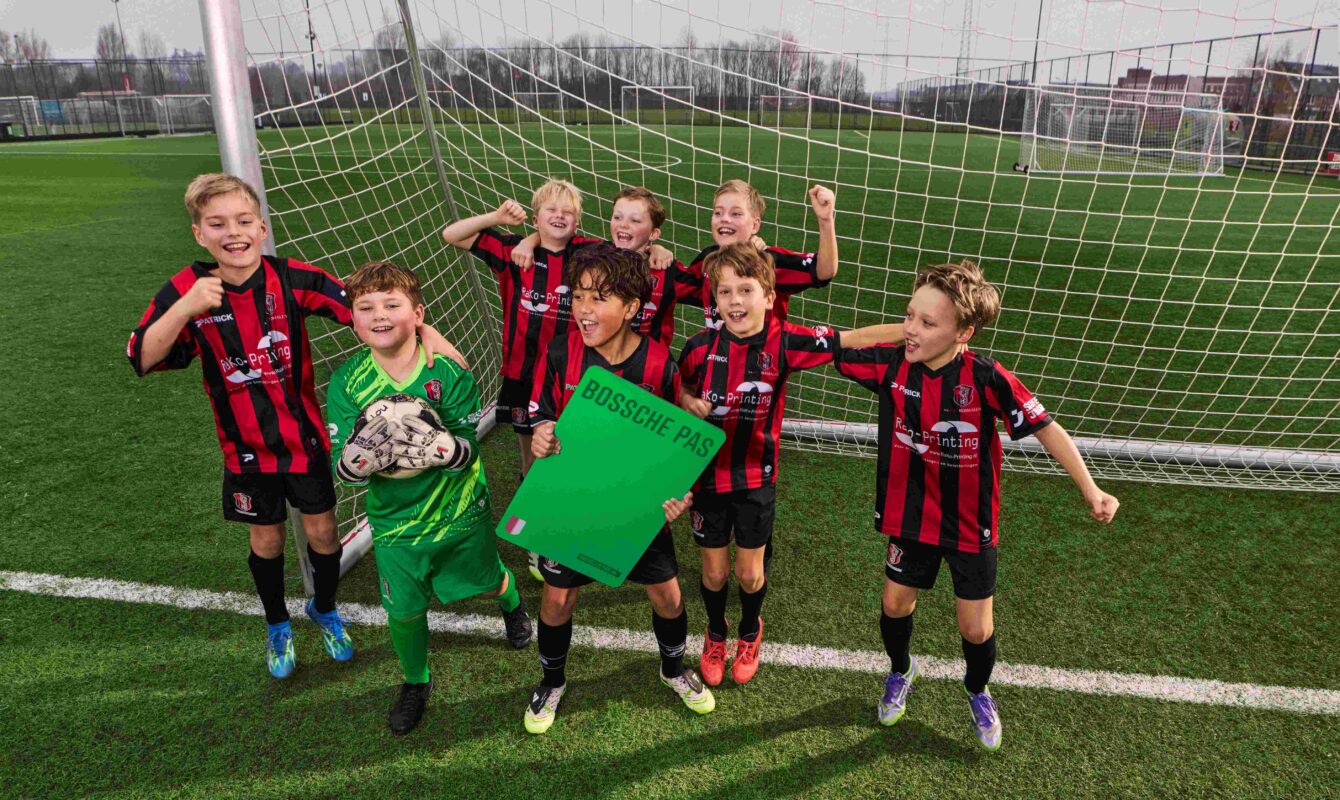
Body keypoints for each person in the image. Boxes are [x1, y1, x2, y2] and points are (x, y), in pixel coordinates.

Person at [127, 173, 462, 679]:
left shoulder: (291, 278)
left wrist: (424, 327)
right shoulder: (186, 290)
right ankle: (277, 624)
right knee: (267, 541)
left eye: (243, 221)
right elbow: (142, 357)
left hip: (304, 442)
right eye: (217, 224)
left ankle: (324, 608)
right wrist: (187, 307)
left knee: (324, 535)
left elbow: (365, 310)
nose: (233, 232)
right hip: (245, 450)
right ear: (199, 233)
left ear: (261, 228)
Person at [832, 259, 1119, 751]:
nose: (912, 328)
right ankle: (901, 670)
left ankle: (977, 689)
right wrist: (906, 330)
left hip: (970, 523)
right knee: (895, 603)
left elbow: (1046, 427)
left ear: (964, 333)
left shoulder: (987, 378)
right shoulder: (891, 364)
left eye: (928, 322)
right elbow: (841, 347)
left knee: (976, 626)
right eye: (909, 315)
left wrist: (1091, 489)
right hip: (910, 515)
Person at [678, 243, 903, 686]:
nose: (735, 301)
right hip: (706, 478)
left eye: (746, 290)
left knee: (749, 574)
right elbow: (677, 385)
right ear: (715, 300)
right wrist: (687, 400)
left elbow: (852, 338)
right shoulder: (698, 347)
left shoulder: (784, 341)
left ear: (768, 296)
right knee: (715, 572)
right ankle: (716, 632)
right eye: (725, 292)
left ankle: (749, 631)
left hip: (756, 479)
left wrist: (915, 331)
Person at [327, 260, 532, 735]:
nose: (380, 315)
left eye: (391, 304)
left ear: (418, 314)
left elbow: (469, 445)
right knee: (403, 609)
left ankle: (511, 602)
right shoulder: (347, 382)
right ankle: (416, 681)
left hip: (459, 510)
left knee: (486, 580)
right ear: (354, 321)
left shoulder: (449, 371)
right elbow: (344, 465)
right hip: (394, 520)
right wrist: (353, 463)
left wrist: (445, 449)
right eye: (366, 308)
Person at [524, 243, 710, 734]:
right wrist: (542, 432)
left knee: (667, 595)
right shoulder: (560, 353)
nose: (584, 308)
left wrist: (678, 494)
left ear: (631, 308)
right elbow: (540, 412)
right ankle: (552, 681)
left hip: (634, 503)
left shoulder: (658, 363)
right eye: (579, 295)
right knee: (557, 600)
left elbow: (673, 446)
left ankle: (673, 668)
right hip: (572, 501)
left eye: (599, 298)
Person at [441, 179, 599, 580]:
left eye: (567, 211)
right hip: (523, 376)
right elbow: (452, 234)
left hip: (573, 376)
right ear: (536, 216)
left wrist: (659, 248)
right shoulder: (514, 252)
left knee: (574, 454)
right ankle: (536, 539)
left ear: (577, 220)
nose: (559, 216)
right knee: (533, 459)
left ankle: (570, 526)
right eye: (550, 210)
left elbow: (630, 249)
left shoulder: (586, 253)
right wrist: (498, 218)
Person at [508, 186, 699, 344]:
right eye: (617, 217)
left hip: (646, 368)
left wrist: (656, 249)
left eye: (635, 220)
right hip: (595, 363)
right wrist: (529, 241)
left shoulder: (665, 269)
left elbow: (707, 290)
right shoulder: (592, 254)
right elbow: (555, 238)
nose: (623, 225)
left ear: (654, 233)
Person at [685, 179, 838, 330]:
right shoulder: (707, 260)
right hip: (719, 346)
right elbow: (677, 283)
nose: (724, 218)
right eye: (718, 212)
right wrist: (666, 256)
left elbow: (824, 271)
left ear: (755, 225)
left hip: (766, 346)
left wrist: (825, 221)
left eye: (736, 214)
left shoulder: (769, 261)